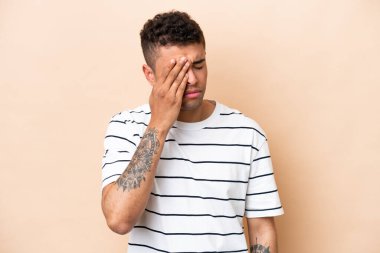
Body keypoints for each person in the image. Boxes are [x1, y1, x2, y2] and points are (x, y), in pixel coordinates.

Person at [101, 10, 284, 253]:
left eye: (198, 65)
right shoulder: (125, 127)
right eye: (175, 71)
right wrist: (159, 124)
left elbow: (262, 229)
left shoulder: (248, 134)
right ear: (149, 74)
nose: (191, 79)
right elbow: (118, 219)